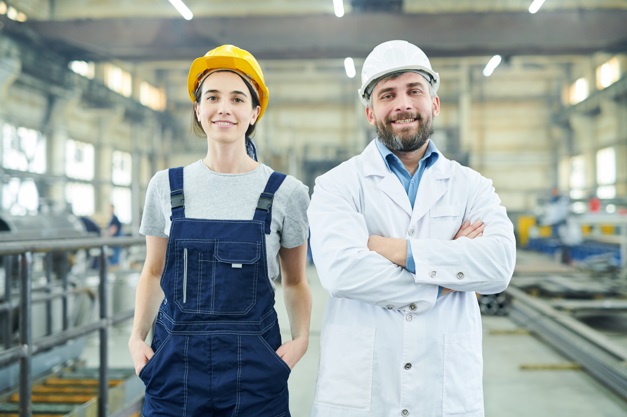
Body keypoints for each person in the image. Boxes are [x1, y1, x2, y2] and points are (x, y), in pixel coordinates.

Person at [307, 40, 516, 417]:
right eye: (388, 94)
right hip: (361, 393)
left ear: (434, 104)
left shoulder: (472, 186)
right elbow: (342, 274)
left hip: (445, 391)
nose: (403, 103)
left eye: (414, 90)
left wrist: (398, 250)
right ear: (370, 112)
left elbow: (499, 266)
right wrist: (448, 278)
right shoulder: (336, 184)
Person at [128, 45, 312, 416]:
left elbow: (294, 281)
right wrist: (136, 338)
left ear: (254, 112)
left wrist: (301, 341)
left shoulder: (286, 192)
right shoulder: (166, 186)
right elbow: (153, 269)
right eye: (212, 97)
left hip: (255, 371)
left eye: (237, 98)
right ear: (198, 109)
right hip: (173, 367)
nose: (223, 107)